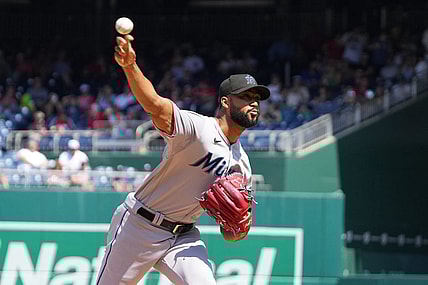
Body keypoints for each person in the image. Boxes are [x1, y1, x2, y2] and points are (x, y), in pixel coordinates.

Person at [95, 34, 270, 285]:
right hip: (140, 225)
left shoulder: (241, 164)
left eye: (256, 99)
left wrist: (239, 227)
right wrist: (130, 66)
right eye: (246, 97)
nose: (253, 103)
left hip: (183, 236)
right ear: (225, 101)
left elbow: (232, 233)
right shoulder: (198, 129)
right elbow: (155, 105)